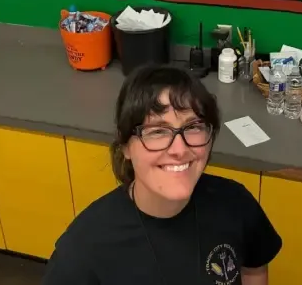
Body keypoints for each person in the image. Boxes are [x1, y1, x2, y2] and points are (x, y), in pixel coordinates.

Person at [43, 64, 281, 284]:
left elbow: (254, 269)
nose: (179, 150)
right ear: (125, 146)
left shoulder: (236, 204)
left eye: (193, 127)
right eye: (157, 131)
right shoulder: (82, 252)